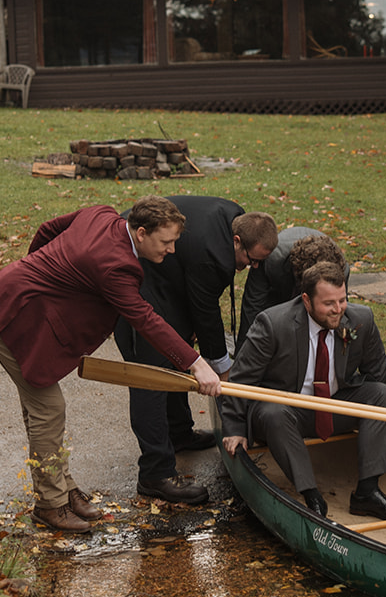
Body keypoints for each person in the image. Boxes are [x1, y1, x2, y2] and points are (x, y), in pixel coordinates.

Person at [0, 197, 221, 533]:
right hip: (9, 316)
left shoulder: (101, 214)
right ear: (140, 233)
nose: (173, 250)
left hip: (21, 303)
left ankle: (61, 487)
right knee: (48, 409)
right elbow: (145, 320)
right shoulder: (116, 266)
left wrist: (34, 271)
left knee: (41, 411)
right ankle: (50, 505)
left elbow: (47, 229)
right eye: (166, 242)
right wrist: (197, 364)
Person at [114, 197, 277, 505]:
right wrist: (221, 368)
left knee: (177, 349)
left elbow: (195, 301)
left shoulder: (238, 219)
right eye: (250, 260)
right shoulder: (212, 255)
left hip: (166, 275)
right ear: (237, 241)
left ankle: (178, 433)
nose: (249, 268)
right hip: (138, 272)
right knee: (150, 374)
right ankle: (155, 473)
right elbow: (205, 311)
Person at [222, 262, 386, 522]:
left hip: (333, 406)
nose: (338, 310)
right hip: (283, 413)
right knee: (274, 412)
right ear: (306, 301)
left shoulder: (361, 320)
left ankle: (367, 493)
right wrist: (233, 428)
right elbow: (241, 380)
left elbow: (376, 369)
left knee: (382, 394)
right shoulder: (272, 324)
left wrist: (380, 418)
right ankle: (311, 496)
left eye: (342, 300)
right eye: (329, 303)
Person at [237, 228, 349, 347]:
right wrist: (243, 355)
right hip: (278, 288)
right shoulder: (270, 261)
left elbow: (339, 315)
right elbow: (252, 307)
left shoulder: (341, 271)